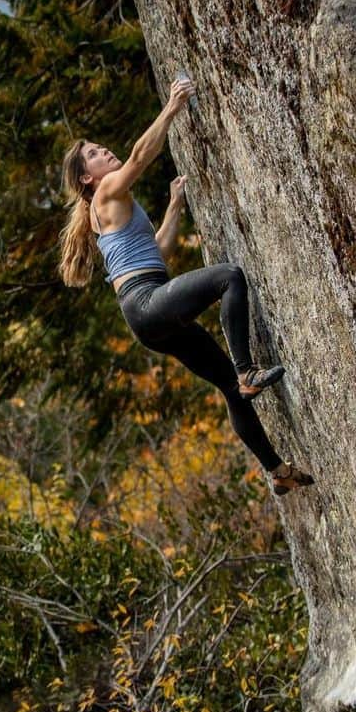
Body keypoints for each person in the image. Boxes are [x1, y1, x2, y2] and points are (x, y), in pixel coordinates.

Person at [58, 76, 314, 496]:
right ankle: (248, 368)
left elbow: (160, 252)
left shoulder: (111, 207)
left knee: (231, 391)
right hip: (147, 303)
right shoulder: (106, 192)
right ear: (88, 178)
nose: (105, 151)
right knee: (229, 277)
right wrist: (172, 108)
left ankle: (277, 470)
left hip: (147, 314)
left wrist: (175, 206)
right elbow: (140, 156)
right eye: (94, 154)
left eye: (100, 147)